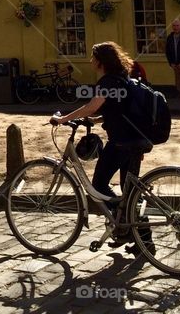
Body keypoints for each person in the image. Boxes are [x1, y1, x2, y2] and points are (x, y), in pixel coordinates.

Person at [51, 41, 154, 255]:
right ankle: (143, 241)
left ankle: (122, 219)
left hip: (121, 142)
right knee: (130, 193)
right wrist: (95, 120)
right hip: (136, 140)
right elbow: (114, 110)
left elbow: (92, 106)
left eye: (92, 57)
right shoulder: (124, 79)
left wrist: (64, 120)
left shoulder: (107, 82)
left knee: (98, 185)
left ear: (100, 61)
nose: (90, 61)